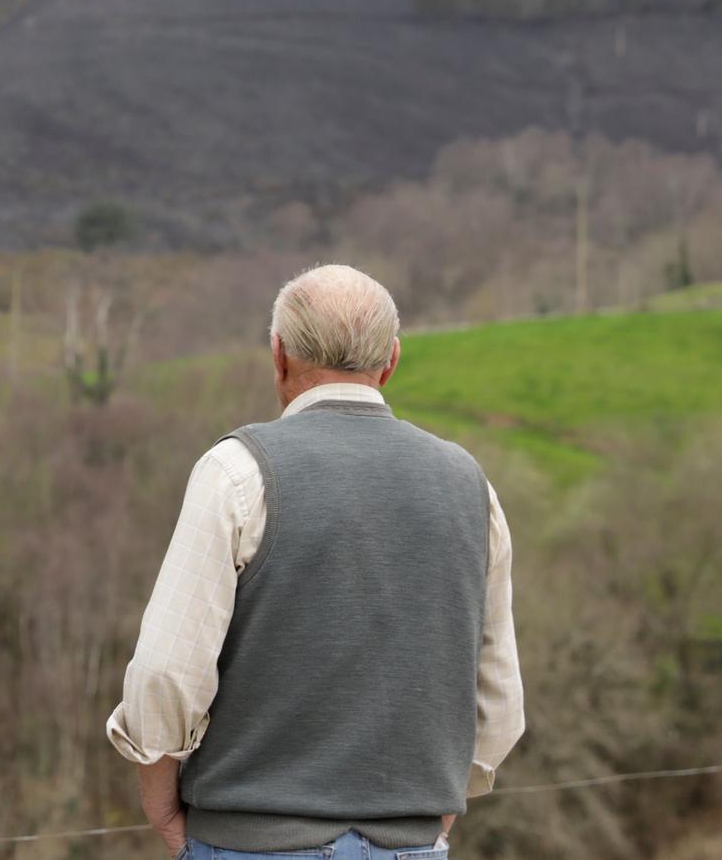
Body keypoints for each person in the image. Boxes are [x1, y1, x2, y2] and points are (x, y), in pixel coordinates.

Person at [107, 264, 522, 859]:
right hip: (410, 845)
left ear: (278, 356)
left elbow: (166, 674)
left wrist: (161, 804)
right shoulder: (470, 486)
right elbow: (499, 696)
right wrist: (432, 810)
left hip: (249, 844)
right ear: (392, 361)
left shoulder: (236, 471)